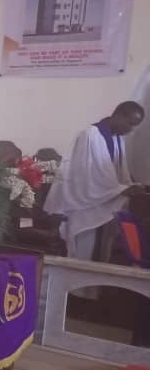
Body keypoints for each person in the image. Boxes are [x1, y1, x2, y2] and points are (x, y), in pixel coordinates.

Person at [45, 101, 146, 260]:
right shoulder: (90, 135)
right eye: (131, 124)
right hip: (84, 204)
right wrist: (121, 189)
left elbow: (119, 172)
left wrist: (131, 186)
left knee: (101, 251)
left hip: (101, 200)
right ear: (119, 115)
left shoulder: (117, 138)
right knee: (84, 253)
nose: (131, 130)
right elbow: (85, 176)